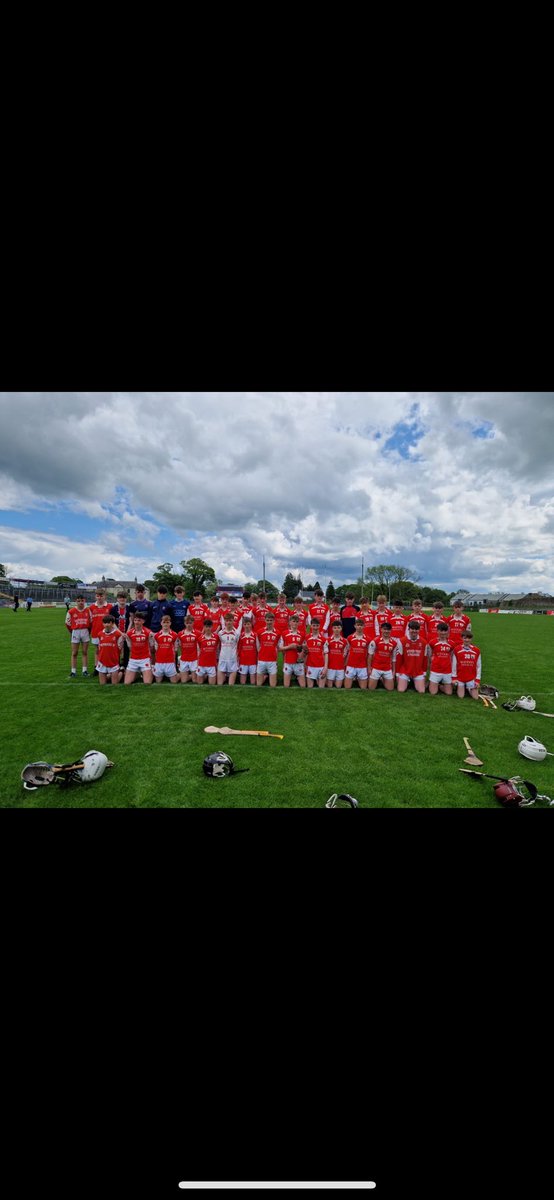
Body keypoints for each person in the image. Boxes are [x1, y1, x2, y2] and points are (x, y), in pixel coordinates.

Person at [396, 621, 429, 693]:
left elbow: (425, 659)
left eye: (416, 629)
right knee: (401, 690)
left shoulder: (424, 642)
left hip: (418, 671)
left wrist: (424, 673)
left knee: (421, 691)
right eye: (412, 629)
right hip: (405, 671)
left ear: (419, 630)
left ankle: (415, 681)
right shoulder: (402, 641)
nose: (414, 631)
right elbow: (399, 659)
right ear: (408, 629)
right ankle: (408, 681)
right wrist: (397, 674)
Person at [65, 594, 92, 678]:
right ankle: (73, 671)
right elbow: (67, 623)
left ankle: (84, 671)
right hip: (75, 632)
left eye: (82, 600)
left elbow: (91, 622)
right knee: (74, 653)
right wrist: (72, 631)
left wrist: (88, 631)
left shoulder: (88, 610)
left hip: (85, 632)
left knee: (84, 652)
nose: (80, 602)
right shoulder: (71, 611)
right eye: (79, 601)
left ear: (84, 601)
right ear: (76, 601)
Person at [368, 621, 399, 691]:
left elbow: (394, 659)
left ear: (391, 630)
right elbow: (370, 655)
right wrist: (369, 668)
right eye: (384, 629)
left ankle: (382, 679)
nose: (386, 631)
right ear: (381, 629)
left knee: (390, 689)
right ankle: (378, 678)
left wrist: (393, 671)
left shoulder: (394, 643)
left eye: (388, 629)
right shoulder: (375, 641)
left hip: (387, 668)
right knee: (371, 688)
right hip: (376, 668)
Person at [123, 612, 153, 686]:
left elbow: (151, 646)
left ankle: (150, 670)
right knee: (127, 683)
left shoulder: (148, 632)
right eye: (135, 620)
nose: (136, 622)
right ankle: (137, 673)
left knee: (147, 683)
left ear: (143, 621)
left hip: (145, 659)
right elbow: (130, 647)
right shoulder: (129, 633)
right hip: (133, 659)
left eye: (139, 620)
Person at [89, 588, 113, 675]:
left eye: (101, 596)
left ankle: (109, 667)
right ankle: (96, 667)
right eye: (98, 596)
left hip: (108, 633)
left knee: (108, 650)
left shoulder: (110, 607)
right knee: (97, 650)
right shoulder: (91, 607)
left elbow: (112, 621)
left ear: (105, 596)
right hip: (96, 633)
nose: (99, 597)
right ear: (95, 597)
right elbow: (90, 621)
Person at [151, 614, 180, 684]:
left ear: (170, 623)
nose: (166, 624)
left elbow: (176, 649)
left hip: (170, 662)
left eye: (167, 622)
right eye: (164, 622)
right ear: (161, 623)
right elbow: (156, 649)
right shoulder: (156, 635)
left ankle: (181, 673)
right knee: (158, 681)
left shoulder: (175, 635)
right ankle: (153, 669)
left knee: (174, 681)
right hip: (159, 662)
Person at [452, 630, 481, 700]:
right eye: (465, 638)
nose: (467, 640)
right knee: (460, 696)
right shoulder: (457, 649)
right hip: (460, 678)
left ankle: (468, 687)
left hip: (471, 678)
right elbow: (454, 665)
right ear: (462, 638)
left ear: (471, 639)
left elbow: (479, 666)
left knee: (475, 698)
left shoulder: (477, 650)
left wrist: (477, 680)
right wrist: (454, 678)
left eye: (469, 638)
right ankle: (462, 686)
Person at [96, 615, 124, 686]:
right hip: (102, 662)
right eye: (105, 623)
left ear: (112, 624)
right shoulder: (99, 634)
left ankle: (120, 673)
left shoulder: (118, 634)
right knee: (102, 684)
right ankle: (109, 675)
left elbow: (120, 648)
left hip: (113, 662)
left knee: (114, 684)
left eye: (109, 623)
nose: (106, 625)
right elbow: (99, 648)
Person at [280, 614, 306, 688]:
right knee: (286, 686)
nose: (295, 623)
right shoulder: (284, 633)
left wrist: (303, 652)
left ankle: (297, 677)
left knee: (303, 686)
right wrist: (289, 647)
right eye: (293, 621)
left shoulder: (302, 634)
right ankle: (292, 676)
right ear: (290, 622)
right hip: (288, 662)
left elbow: (305, 649)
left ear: (299, 623)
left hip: (298, 662)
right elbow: (280, 648)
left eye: (297, 621)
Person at [428, 622, 455, 696]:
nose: (443, 633)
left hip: (447, 671)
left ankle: (440, 685)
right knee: (433, 692)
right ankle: (433, 683)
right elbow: (430, 656)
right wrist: (430, 667)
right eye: (441, 631)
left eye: (445, 631)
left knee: (449, 693)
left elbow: (452, 657)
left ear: (447, 631)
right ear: (437, 631)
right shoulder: (432, 642)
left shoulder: (452, 643)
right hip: (436, 670)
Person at [256, 610, 280, 687]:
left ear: (274, 621)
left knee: (273, 685)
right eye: (268, 620)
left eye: (271, 620)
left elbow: (279, 647)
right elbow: (257, 646)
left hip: (272, 661)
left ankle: (267, 676)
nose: (269, 622)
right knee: (258, 684)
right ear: (265, 620)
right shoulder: (259, 632)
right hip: (261, 660)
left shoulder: (278, 633)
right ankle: (265, 676)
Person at [344, 617, 370, 689]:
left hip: (362, 666)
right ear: (355, 626)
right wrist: (345, 664)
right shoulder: (349, 638)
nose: (359, 627)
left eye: (361, 625)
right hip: (351, 665)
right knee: (347, 687)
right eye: (358, 625)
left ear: (364, 626)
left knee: (363, 688)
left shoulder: (368, 639)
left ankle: (358, 678)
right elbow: (346, 652)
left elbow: (369, 654)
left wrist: (368, 667)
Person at [110, 590, 132, 672]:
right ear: (117, 599)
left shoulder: (129, 608)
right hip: (117, 633)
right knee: (117, 649)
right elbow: (112, 623)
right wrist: (120, 633)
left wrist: (127, 633)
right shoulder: (113, 609)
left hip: (127, 633)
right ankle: (117, 666)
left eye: (124, 598)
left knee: (126, 649)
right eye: (120, 598)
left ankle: (125, 666)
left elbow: (131, 621)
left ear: (126, 599)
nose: (122, 599)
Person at [217, 612, 241, 686]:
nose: (228, 622)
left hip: (232, 659)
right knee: (219, 684)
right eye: (227, 621)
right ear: (224, 621)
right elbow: (219, 646)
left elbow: (238, 645)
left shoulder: (237, 633)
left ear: (233, 621)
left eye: (230, 620)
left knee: (231, 685)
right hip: (223, 659)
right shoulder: (220, 633)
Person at [304, 617, 328, 688]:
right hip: (310, 666)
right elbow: (305, 653)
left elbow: (326, 653)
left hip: (321, 666)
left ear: (319, 626)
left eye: (317, 625)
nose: (315, 627)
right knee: (310, 688)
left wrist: (325, 667)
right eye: (313, 625)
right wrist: (305, 666)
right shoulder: (307, 638)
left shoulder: (323, 639)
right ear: (311, 626)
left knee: (321, 688)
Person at [196, 618, 219, 685]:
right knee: (199, 683)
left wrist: (216, 662)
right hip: (202, 664)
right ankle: (205, 675)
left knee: (212, 684)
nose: (208, 628)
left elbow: (217, 649)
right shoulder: (200, 638)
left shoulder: (216, 637)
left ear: (212, 627)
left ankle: (208, 676)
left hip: (211, 664)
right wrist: (198, 663)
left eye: (209, 627)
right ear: (204, 627)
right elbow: (199, 650)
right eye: (206, 627)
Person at [178, 614, 199, 684]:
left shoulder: (198, 633)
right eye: (187, 623)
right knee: (183, 681)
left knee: (195, 680)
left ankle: (202, 675)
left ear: (193, 623)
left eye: (190, 623)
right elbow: (179, 646)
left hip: (194, 659)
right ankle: (187, 675)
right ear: (184, 623)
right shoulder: (180, 634)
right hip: (184, 659)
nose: (188, 625)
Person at [326, 621, 348, 688]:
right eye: (335, 628)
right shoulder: (328, 640)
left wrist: (344, 665)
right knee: (330, 687)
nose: (337, 629)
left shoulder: (345, 641)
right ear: (332, 629)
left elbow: (346, 655)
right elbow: (325, 654)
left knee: (338, 687)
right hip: (330, 667)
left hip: (340, 668)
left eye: (338, 628)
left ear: (341, 628)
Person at [237, 615, 258, 685]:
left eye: (248, 624)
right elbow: (239, 648)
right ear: (243, 625)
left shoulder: (255, 635)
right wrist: (238, 658)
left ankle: (265, 676)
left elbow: (258, 648)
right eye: (245, 624)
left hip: (253, 661)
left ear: (251, 624)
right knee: (242, 682)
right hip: (243, 661)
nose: (246, 626)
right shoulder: (241, 636)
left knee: (253, 682)